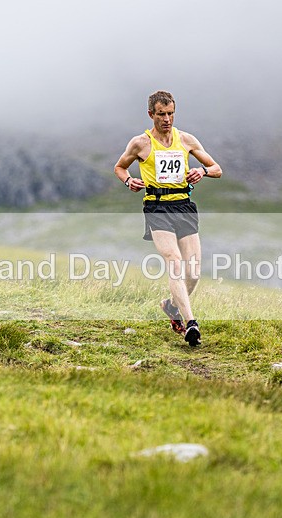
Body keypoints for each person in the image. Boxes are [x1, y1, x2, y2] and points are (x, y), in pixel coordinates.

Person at [113, 90, 222, 346]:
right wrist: (128, 180)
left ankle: (171, 307)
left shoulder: (185, 140)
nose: (167, 119)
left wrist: (202, 172)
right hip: (157, 207)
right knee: (174, 262)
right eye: (161, 114)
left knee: (193, 271)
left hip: (183, 206)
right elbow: (119, 166)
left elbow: (217, 169)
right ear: (151, 114)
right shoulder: (140, 143)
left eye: (171, 113)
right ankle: (190, 323)